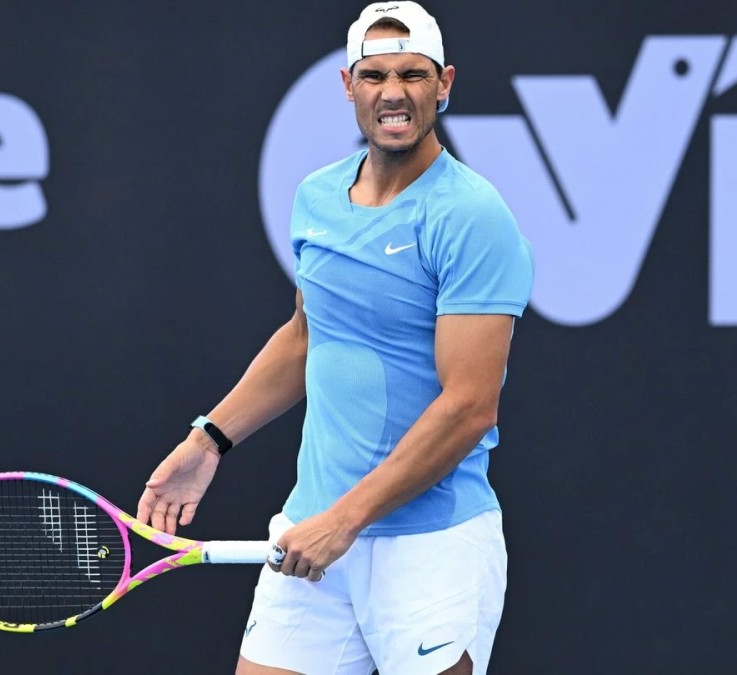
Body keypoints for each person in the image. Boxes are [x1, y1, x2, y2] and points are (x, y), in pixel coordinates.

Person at [136, 2, 534, 673]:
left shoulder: (471, 215)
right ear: (349, 86)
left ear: (444, 84)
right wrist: (208, 441)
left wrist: (347, 519)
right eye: (374, 75)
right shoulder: (316, 198)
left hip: (430, 547)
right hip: (313, 532)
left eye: (413, 74)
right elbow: (305, 335)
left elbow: (470, 407)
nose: (393, 93)